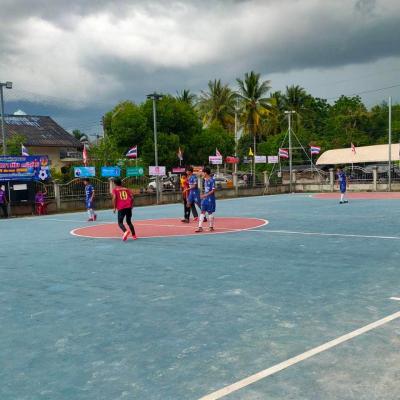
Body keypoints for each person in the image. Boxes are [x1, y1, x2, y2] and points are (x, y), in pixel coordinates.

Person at [195, 167, 216, 232]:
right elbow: (206, 190)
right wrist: (203, 195)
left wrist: (205, 195)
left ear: (206, 173)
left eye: (203, 173)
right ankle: (200, 227)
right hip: (205, 198)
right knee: (202, 211)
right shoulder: (205, 180)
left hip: (210, 199)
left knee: (210, 212)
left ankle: (211, 227)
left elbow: (213, 190)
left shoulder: (212, 180)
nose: (202, 174)